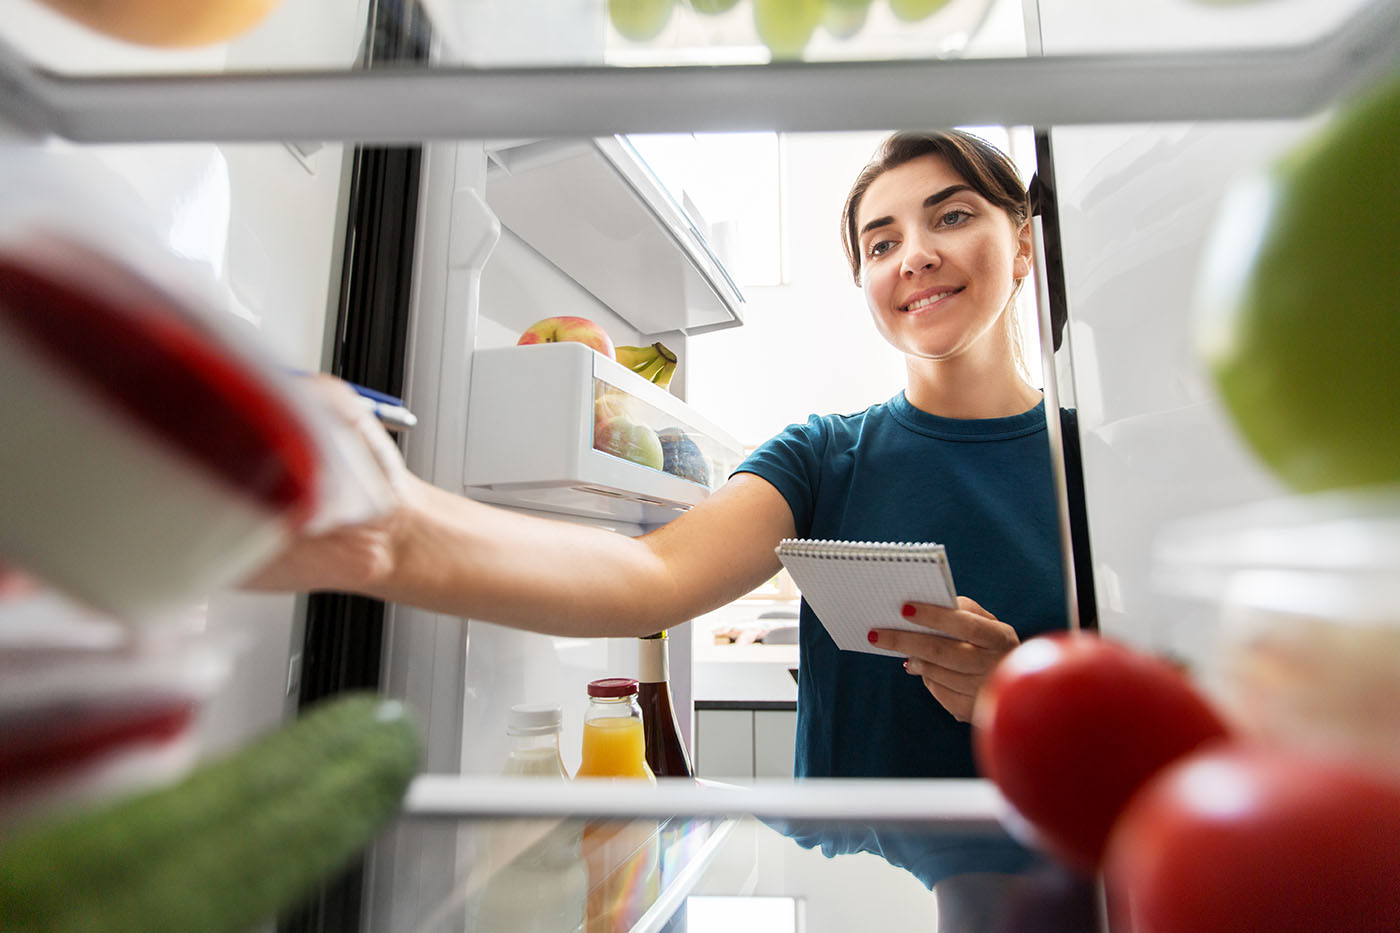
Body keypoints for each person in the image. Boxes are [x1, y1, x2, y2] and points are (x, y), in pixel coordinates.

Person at [253, 127, 1072, 784]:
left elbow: (1175, 709)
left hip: (1059, 886)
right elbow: (649, 576)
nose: (915, 256)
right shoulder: (824, 455)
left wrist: (1031, 693)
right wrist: (390, 526)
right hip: (840, 886)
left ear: (1025, 244)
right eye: (881, 241)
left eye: (953, 216)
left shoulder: (1090, 464)